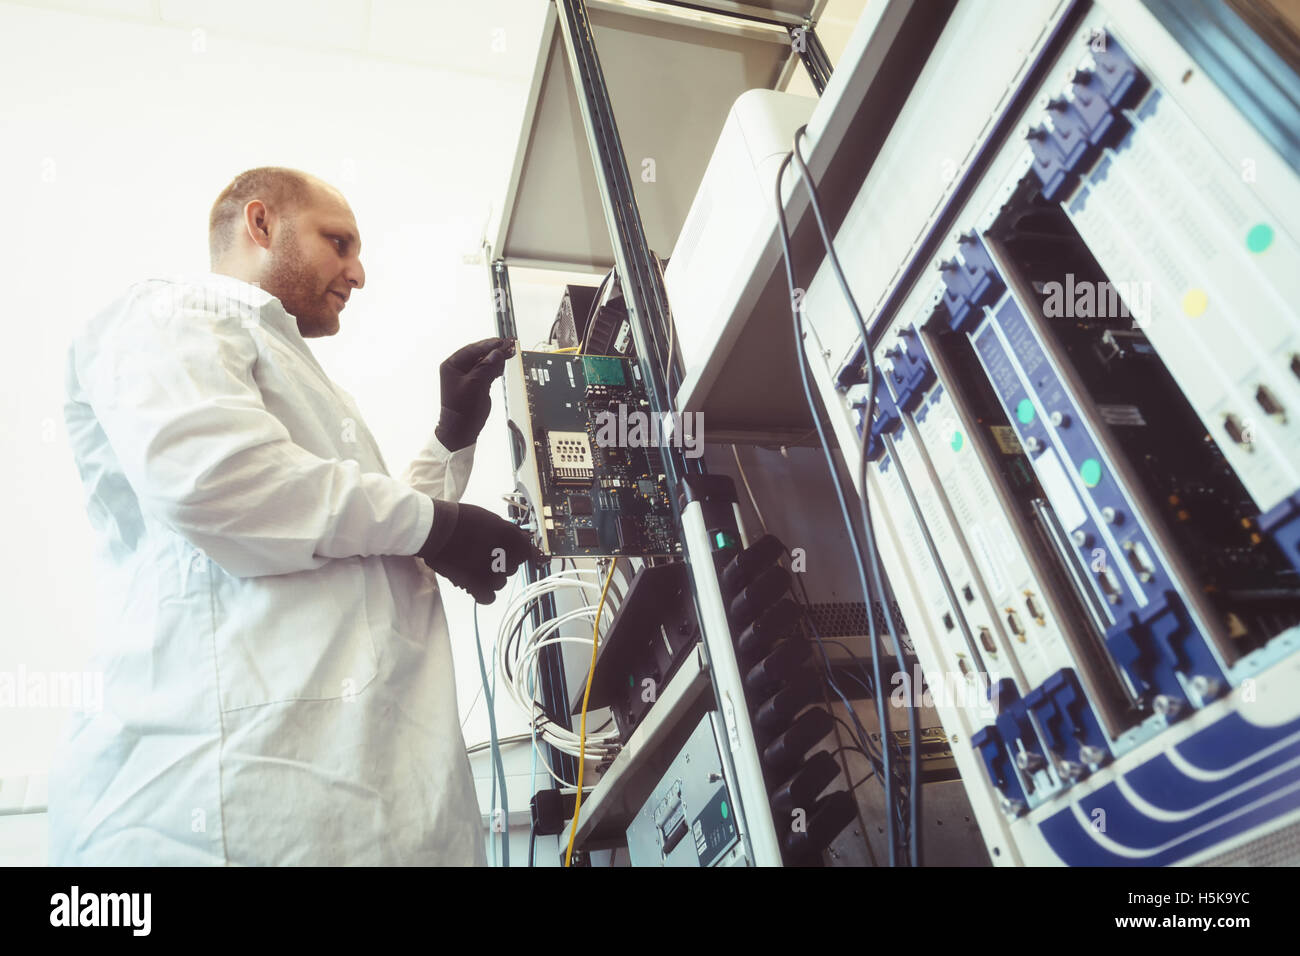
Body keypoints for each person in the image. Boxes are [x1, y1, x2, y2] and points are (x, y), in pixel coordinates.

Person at [49, 166, 538, 865]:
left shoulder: (298, 380)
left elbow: (357, 535)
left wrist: (451, 436)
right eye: (338, 242)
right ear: (260, 224)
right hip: (218, 809)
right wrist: (441, 525)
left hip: (354, 809)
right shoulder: (174, 313)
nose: (359, 272)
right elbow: (219, 482)